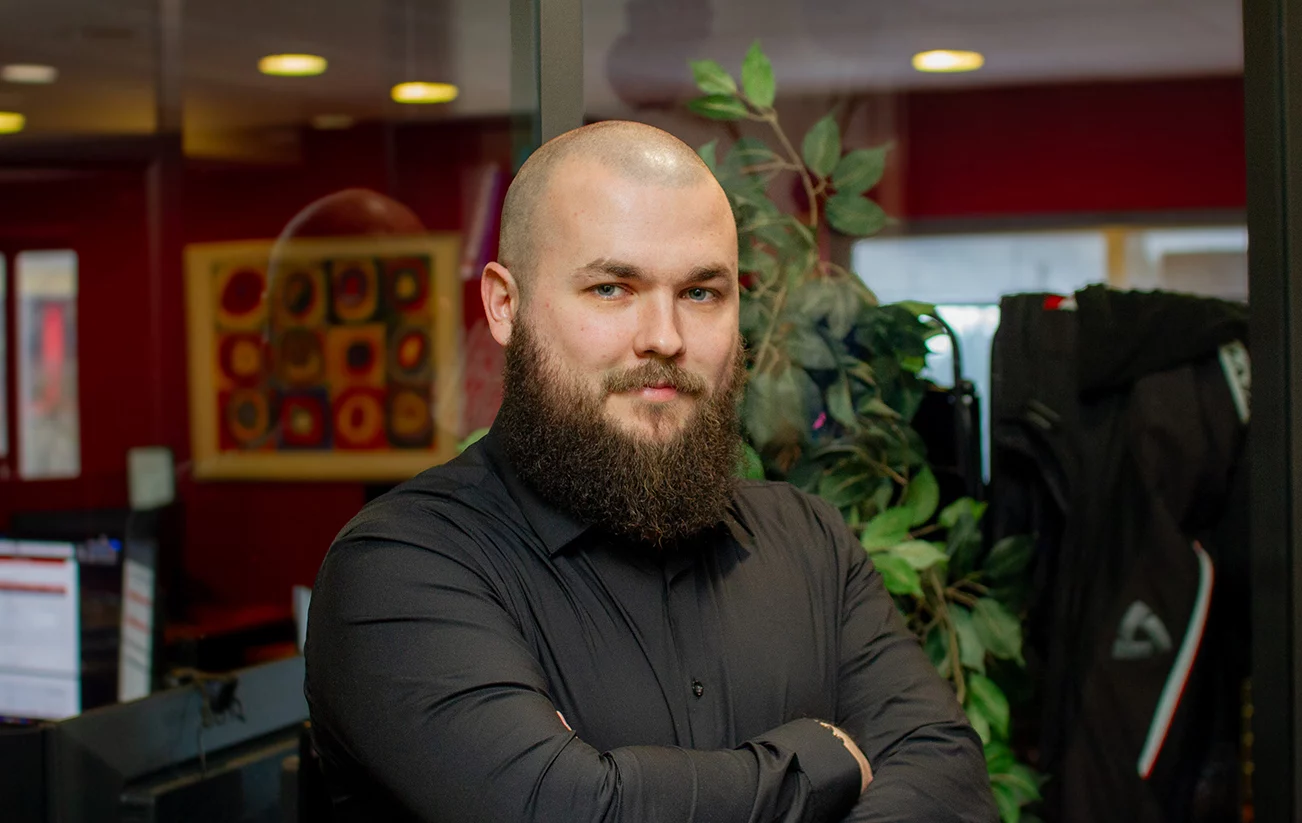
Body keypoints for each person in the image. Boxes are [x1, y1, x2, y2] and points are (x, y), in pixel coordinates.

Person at [303, 120, 994, 822]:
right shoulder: (401, 566)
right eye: (612, 288)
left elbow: (949, 777)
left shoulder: (810, 541)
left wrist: (630, 787)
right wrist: (824, 759)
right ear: (504, 306)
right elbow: (571, 813)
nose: (664, 337)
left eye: (701, 293)